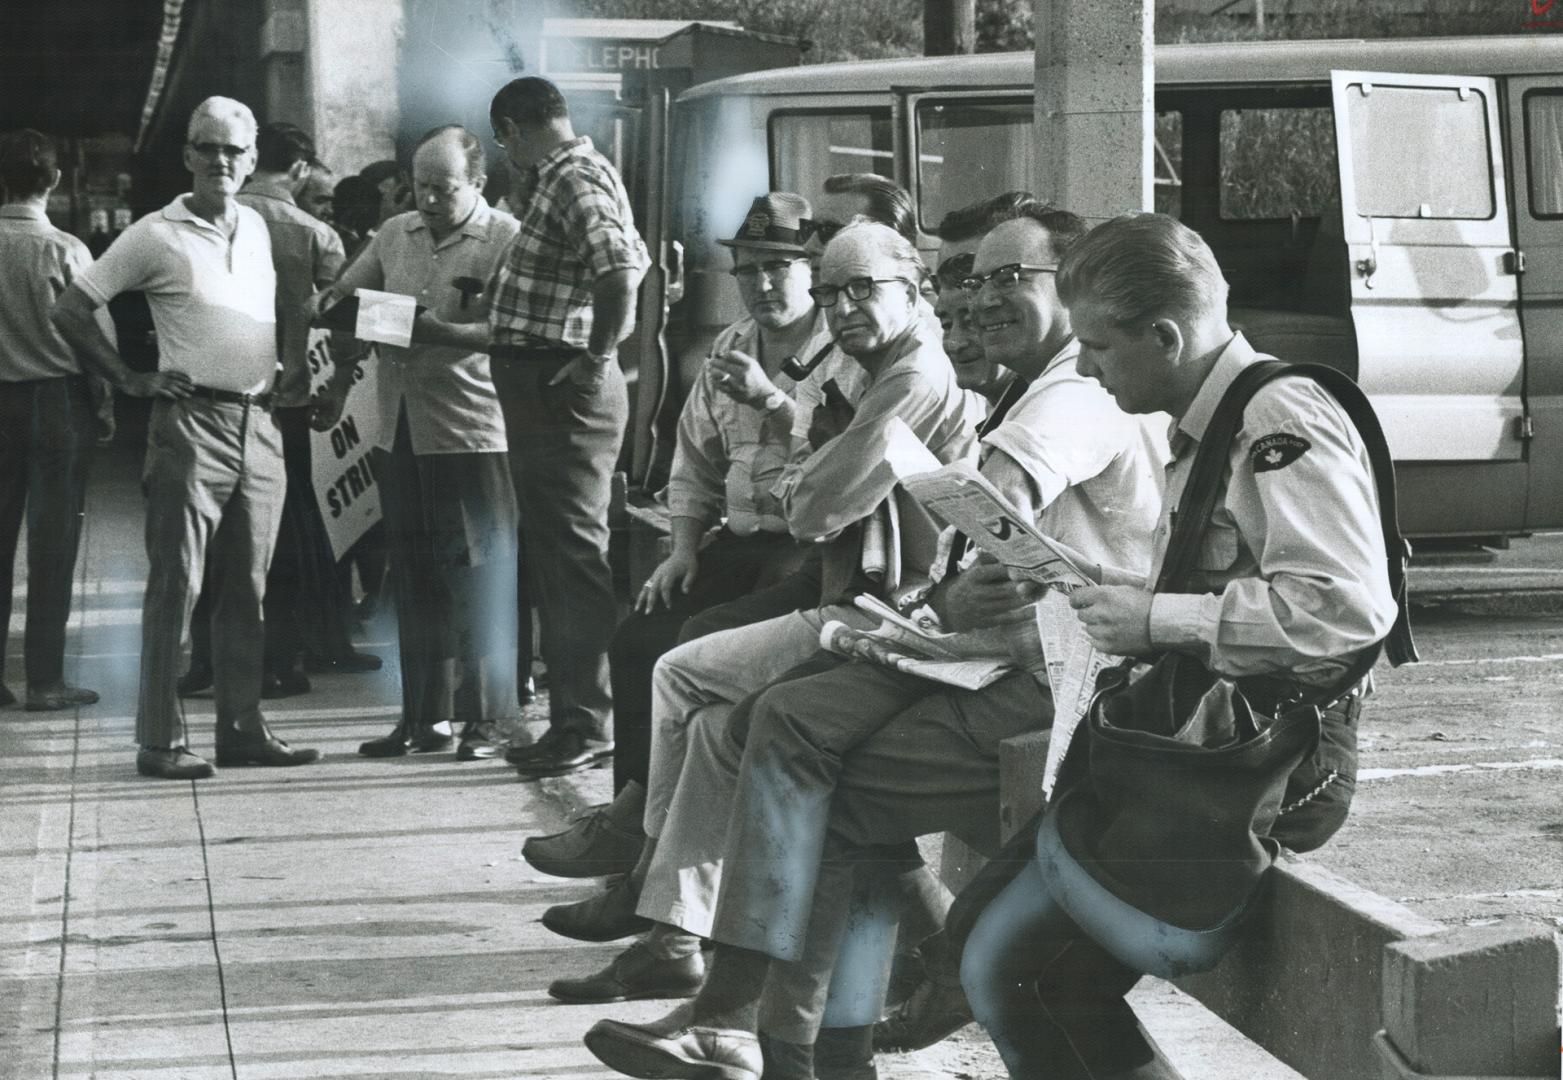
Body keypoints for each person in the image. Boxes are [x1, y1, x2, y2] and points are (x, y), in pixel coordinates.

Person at [582, 203, 1167, 1080]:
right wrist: (946, 590)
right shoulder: (1027, 380)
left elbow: (987, 491)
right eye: (979, 279)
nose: (987, 299)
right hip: (986, 645)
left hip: (1057, 677)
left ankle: (762, 1028)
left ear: (1073, 285)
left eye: (1015, 278)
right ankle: (788, 1035)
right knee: (770, 735)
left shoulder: (1076, 391)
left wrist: (955, 564)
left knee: (785, 738)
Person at [959, 211, 1399, 1079]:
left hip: (1267, 763)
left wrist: (1157, 621)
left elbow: (1344, 611)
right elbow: (1236, 579)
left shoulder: (1275, 416)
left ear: (1163, 335)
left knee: (1016, 971)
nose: (1081, 366)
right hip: (1198, 748)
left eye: (1095, 345)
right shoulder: (1212, 420)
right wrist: (1108, 586)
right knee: (989, 949)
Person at [562, 219, 978, 1022]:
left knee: (699, 685)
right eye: (832, 291)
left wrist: (802, 463)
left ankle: (669, 924)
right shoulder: (869, 365)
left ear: (912, 288)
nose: (843, 306)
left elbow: (815, 506)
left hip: (893, 615)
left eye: (862, 288)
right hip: (861, 594)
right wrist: (802, 459)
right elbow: (762, 470)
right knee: (705, 700)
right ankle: (677, 939)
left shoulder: (910, 376)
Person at [522, 192, 827, 886]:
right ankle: (631, 828)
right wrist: (684, 548)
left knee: (695, 658)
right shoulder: (729, 345)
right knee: (637, 639)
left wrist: (772, 402)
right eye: (748, 270)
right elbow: (695, 460)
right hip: (740, 538)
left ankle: (654, 844)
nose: (763, 284)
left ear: (810, 269)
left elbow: (839, 461)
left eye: (779, 266)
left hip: (808, 547)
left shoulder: (837, 346)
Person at [53, 96, 319, 779]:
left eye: (233, 150)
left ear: (253, 159)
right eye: (207, 148)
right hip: (190, 425)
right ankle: (159, 741)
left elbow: (283, 306)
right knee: (177, 586)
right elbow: (73, 307)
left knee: (249, 589)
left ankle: (240, 728)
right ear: (187, 156)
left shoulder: (258, 227)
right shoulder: (153, 234)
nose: (220, 161)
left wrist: (287, 372)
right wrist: (129, 379)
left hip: (257, 425)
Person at [423, 76, 650, 779]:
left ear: (513, 130)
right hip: (544, 391)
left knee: (572, 561)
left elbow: (618, 273)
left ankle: (589, 724)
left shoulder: (572, 176)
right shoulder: (572, 175)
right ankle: (576, 720)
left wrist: (594, 360)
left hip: (561, 395)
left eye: (504, 142)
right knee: (558, 560)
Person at [313, 125, 522, 761]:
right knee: (413, 575)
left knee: (482, 576)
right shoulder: (394, 232)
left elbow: (509, 333)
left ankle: (487, 721)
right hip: (397, 426)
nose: (428, 200)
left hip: (471, 432)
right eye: (419, 186)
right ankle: (422, 718)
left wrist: (416, 327)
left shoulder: (506, 241)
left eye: (444, 189)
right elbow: (341, 300)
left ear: (479, 184)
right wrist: (359, 327)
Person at [181, 120, 376, 701]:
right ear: (298, 169)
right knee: (282, 538)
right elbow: (344, 320)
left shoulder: (200, 219)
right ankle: (281, 662)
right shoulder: (316, 234)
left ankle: (206, 664)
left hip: (210, 403)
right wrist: (339, 383)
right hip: (284, 407)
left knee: (212, 534)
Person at [0, 129, 101, 712]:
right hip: (57, 405)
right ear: (56, 181)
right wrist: (107, 404)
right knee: (53, 543)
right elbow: (94, 338)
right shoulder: (66, 250)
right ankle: (44, 681)